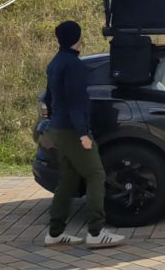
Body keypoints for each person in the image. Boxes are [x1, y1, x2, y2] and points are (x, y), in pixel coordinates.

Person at [43, 20, 125, 248]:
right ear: (77, 38)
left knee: (68, 181)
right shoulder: (74, 66)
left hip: (58, 129)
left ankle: (55, 233)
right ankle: (96, 232)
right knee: (96, 174)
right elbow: (75, 102)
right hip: (73, 131)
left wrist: (55, 120)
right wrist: (83, 134)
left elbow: (49, 98)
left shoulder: (55, 63)